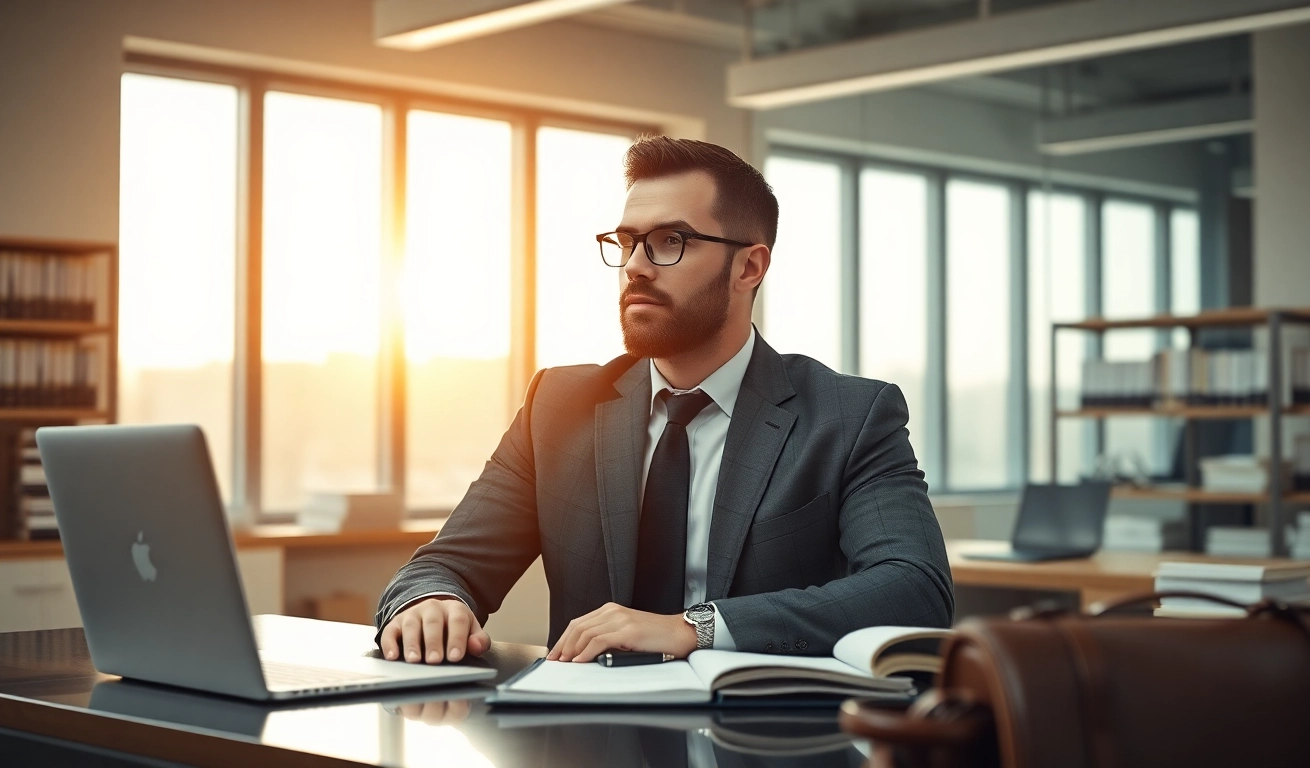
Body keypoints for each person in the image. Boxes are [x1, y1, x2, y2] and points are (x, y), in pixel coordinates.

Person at [375, 136, 953, 666]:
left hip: (764, 743)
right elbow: (443, 566)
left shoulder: (849, 417)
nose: (633, 267)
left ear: (749, 266)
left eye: (669, 242)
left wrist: (696, 628)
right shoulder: (557, 406)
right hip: (588, 739)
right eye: (626, 242)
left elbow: (914, 587)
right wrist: (429, 601)